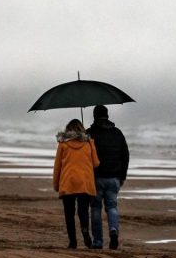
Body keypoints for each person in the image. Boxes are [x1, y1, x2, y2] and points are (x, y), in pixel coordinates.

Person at [86, 105, 130, 250]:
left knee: (96, 208)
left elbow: (84, 157)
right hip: (114, 177)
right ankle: (113, 230)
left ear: (94, 116)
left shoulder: (90, 134)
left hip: (96, 177)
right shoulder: (117, 133)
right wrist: (122, 175)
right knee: (112, 206)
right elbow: (125, 155)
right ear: (107, 115)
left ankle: (98, 241)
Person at [52, 118, 100, 249]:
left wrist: (56, 185)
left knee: (69, 213)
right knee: (83, 211)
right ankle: (85, 232)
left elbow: (57, 167)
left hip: (68, 182)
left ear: (68, 130)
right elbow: (96, 163)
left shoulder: (63, 144)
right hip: (84, 182)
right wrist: (91, 143)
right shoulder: (88, 144)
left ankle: (72, 241)